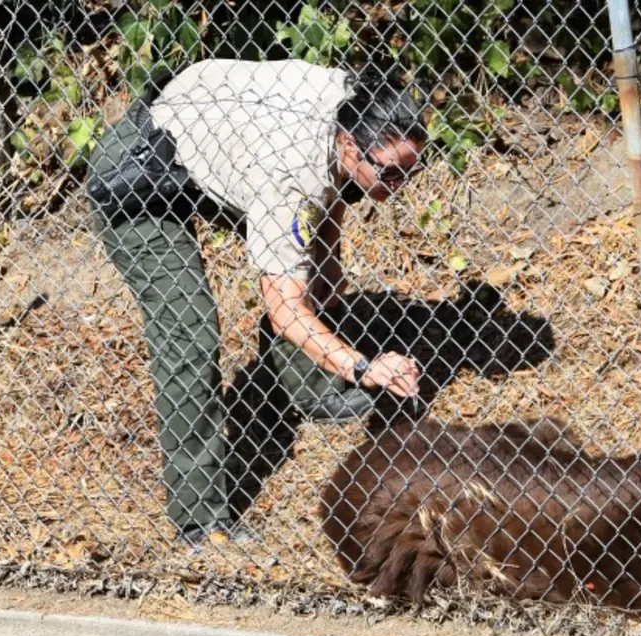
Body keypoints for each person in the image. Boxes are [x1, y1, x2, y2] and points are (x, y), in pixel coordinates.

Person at [85, 58, 427, 545]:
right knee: (191, 330)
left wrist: (325, 263)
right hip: (139, 173)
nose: (400, 187)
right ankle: (199, 520)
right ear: (351, 145)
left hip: (212, 142)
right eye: (391, 174)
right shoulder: (288, 173)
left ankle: (308, 389)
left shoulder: (352, 103)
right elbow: (284, 308)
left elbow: (327, 195)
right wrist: (361, 365)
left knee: (315, 272)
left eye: (411, 171)